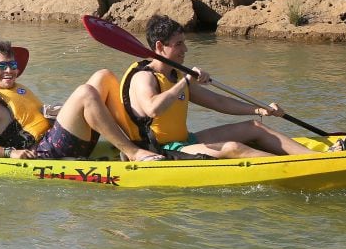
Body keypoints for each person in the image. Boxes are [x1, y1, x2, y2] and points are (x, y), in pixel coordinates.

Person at [118, 16, 330, 159]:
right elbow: (152, 109)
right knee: (232, 148)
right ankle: (297, 167)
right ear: (159, 47)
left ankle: (316, 159)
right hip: (161, 150)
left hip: (185, 140)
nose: (185, 49)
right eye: (178, 44)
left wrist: (259, 109)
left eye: (184, 42)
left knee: (253, 126)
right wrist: (185, 84)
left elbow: (218, 101)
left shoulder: (176, 74)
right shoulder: (144, 77)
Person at [0, 40, 162, 162]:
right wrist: (8, 153)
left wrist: (57, 110)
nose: (9, 70)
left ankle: (137, 141)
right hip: (43, 153)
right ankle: (133, 152)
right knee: (85, 92)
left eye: (12, 64)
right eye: (1, 66)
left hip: (54, 139)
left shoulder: (18, 89)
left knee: (104, 76)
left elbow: (34, 118)